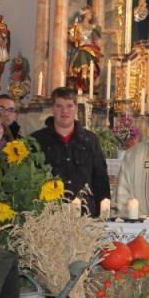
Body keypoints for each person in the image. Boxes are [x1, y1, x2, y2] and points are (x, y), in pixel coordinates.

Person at [31, 87, 111, 217]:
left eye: (69, 106)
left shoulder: (90, 140)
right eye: (59, 106)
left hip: (85, 215)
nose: (64, 111)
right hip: (49, 215)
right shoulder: (37, 140)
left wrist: (102, 215)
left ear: (76, 109)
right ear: (52, 109)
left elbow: (101, 180)